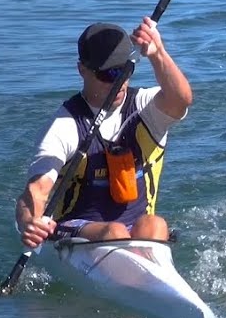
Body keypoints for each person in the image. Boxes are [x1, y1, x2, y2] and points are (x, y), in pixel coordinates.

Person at [15, 17, 193, 250]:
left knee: (155, 224)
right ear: (82, 70)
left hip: (137, 229)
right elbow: (36, 189)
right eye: (107, 75)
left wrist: (157, 54)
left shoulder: (144, 108)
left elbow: (181, 101)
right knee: (115, 232)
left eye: (123, 72)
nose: (117, 83)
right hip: (77, 228)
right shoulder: (66, 124)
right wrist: (30, 221)